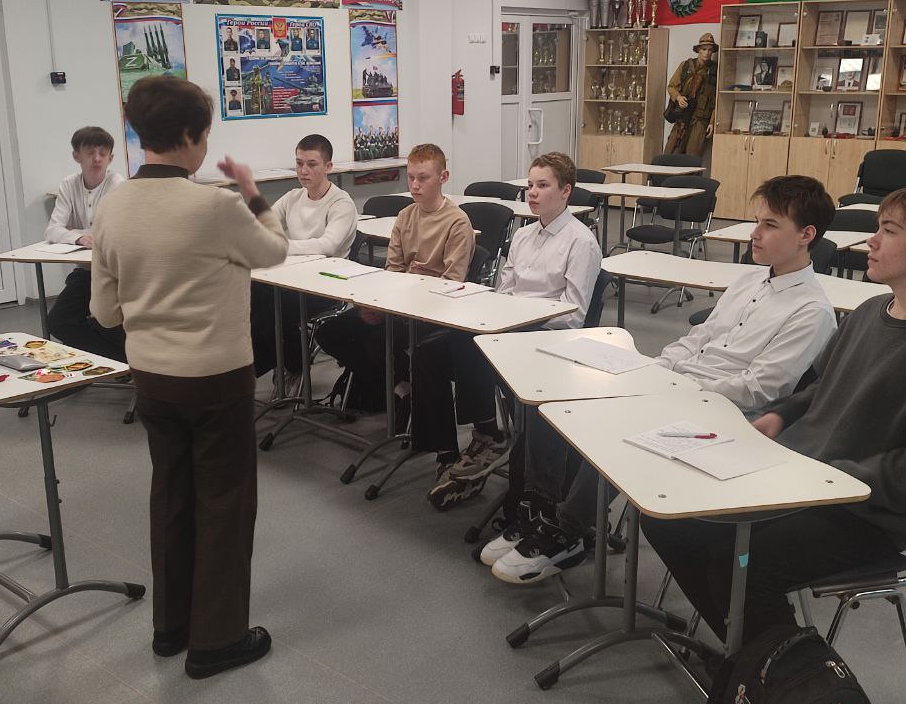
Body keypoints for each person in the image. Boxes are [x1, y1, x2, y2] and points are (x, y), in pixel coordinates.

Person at [642, 187, 906, 641]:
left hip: (866, 511)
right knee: (668, 520)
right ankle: (749, 660)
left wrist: (828, 475)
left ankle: (779, 671)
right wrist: (783, 415)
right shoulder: (871, 312)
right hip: (805, 475)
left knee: (739, 565)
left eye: (889, 231)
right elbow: (821, 386)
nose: (871, 241)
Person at [489, 175, 839, 583]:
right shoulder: (748, 280)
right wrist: (658, 367)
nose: (755, 234)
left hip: (727, 414)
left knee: (619, 427)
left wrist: (678, 386)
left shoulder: (811, 311)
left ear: (806, 235)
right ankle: (542, 508)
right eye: (756, 222)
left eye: (770, 225)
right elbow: (699, 338)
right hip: (678, 388)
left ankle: (567, 530)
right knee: (562, 399)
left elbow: (759, 387)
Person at [90, 76, 288, 678]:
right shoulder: (215, 206)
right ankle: (217, 640)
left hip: (152, 378)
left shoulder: (111, 205)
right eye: (204, 134)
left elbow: (104, 312)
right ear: (188, 136)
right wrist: (252, 192)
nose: (205, 145)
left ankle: (170, 628)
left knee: (171, 498)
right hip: (216, 379)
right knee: (224, 505)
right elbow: (275, 251)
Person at [413, 152, 602, 510]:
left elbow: (573, 315)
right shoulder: (524, 235)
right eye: (530, 185)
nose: (533, 193)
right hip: (508, 326)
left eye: (543, 185)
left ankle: (487, 433)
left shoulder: (581, 242)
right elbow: (505, 291)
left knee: (468, 343)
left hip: (546, 336)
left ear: (566, 191)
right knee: (430, 352)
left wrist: (516, 318)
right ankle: (448, 449)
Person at [316, 143, 473, 413]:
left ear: (443, 177)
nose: (415, 185)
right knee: (330, 332)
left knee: (378, 340)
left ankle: (400, 392)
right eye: (411, 177)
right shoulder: (405, 216)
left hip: (431, 310)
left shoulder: (457, 222)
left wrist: (400, 303)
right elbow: (393, 270)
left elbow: (451, 283)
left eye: (423, 178)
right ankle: (399, 389)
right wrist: (376, 305)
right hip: (398, 304)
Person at [250, 134, 358, 380]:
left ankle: (289, 363)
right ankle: (286, 359)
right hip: (293, 279)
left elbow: (327, 245)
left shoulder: (341, 203)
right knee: (252, 295)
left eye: (312, 164)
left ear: (328, 167)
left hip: (326, 287)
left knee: (268, 308)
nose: (303, 170)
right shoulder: (292, 197)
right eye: (299, 163)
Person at [43, 126, 127, 361]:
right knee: (58, 321)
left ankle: (125, 362)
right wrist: (78, 237)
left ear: (111, 157)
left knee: (106, 320)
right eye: (90, 153)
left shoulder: (116, 183)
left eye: (103, 153)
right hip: (86, 271)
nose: (97, 159)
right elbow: (53, 229)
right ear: (76, 156)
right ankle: (118, 360)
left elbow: (110, 231)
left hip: (114, 273)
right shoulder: (69, 184)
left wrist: (73, 232)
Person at [665, 32, 718, 157]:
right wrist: (678, 97)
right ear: (698, 50)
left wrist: (712, 122)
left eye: (710, 50)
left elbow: (717, 100)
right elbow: (672, 86)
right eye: (704, 49)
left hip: (701, 120)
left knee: (692, 156)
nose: (707, 53)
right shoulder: (686, 66)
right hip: (682, 116)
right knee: (670, 152)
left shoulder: (716, 71)